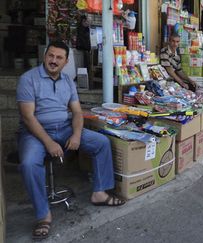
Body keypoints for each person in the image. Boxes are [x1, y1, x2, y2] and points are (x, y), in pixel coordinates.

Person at [16, 41, 125, 240]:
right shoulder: (28, 79)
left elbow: (76, 112)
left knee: (101, 143)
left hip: (65, 129)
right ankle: (43, 215)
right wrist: (48, 142)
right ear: (44, 56)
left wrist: (75, 135)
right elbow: (28, 117)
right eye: (50, 56)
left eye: (59, 58)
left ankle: (99, 193)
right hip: (36, 133)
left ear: (66, 62)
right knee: (29, 163)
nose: (53, 60)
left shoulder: (67, 81)